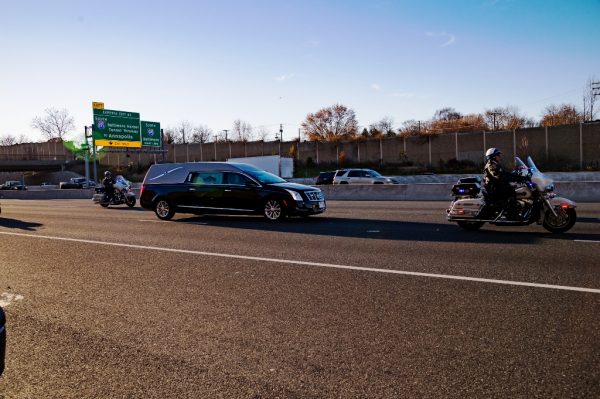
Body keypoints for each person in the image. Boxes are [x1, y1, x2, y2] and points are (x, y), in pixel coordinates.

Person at [483, 148, 523, 219]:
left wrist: (515, 175)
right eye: (498, 155)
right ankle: (512, 214)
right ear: (493, 156)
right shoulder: (491, 165)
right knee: (511, 192)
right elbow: (499, 176)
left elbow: (504, 173)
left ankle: (511, 210)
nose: (500, 157)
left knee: (514, 188)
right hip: (493, 187)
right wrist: (514, 178)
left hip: (497, 185)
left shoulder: (496, 164)